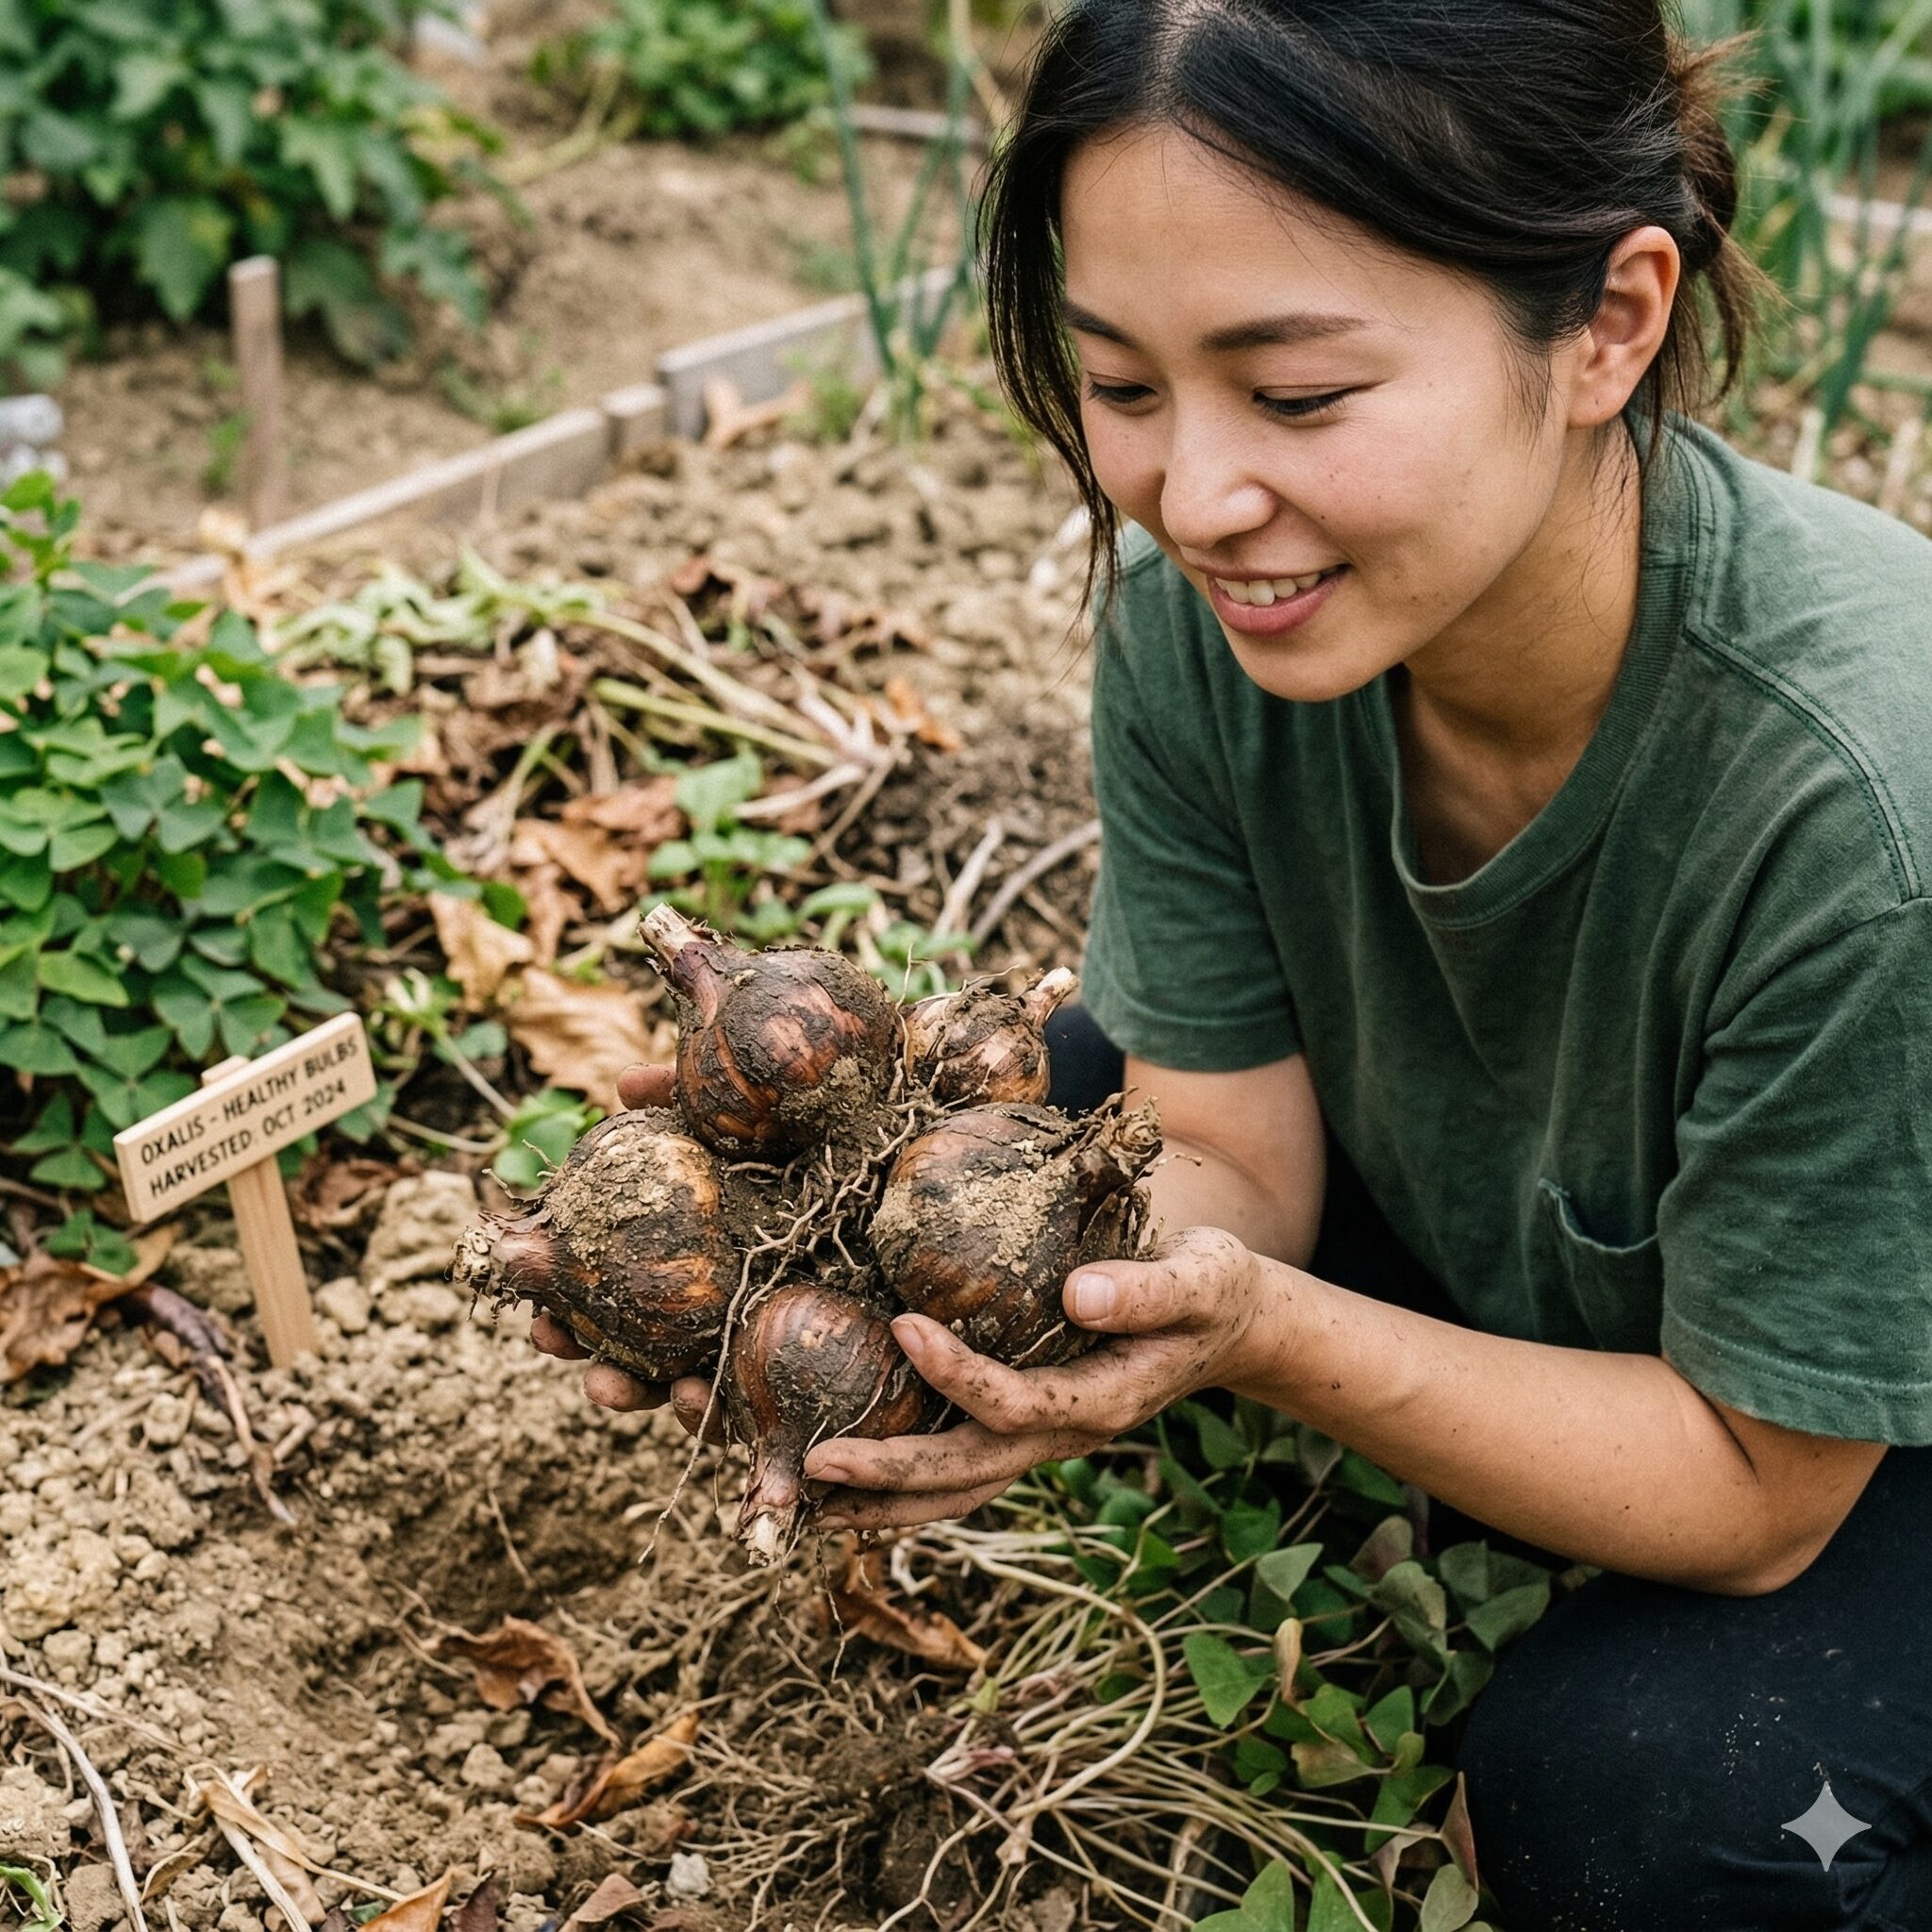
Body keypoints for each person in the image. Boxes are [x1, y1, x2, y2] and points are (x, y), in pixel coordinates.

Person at [535, 3, 1932, 1924]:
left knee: (1645, 1804)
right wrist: (890, 1301)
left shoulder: (1860, 799)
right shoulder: (1223, 618)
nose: (1192, 498)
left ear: (1607, 324)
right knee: (1079, 1095)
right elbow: (1230, 1159)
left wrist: (1261, 1340)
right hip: (1563, 1253)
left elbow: (1762, 1497)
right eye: (1121, 383)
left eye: (1292, 397)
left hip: (1851, 1419)